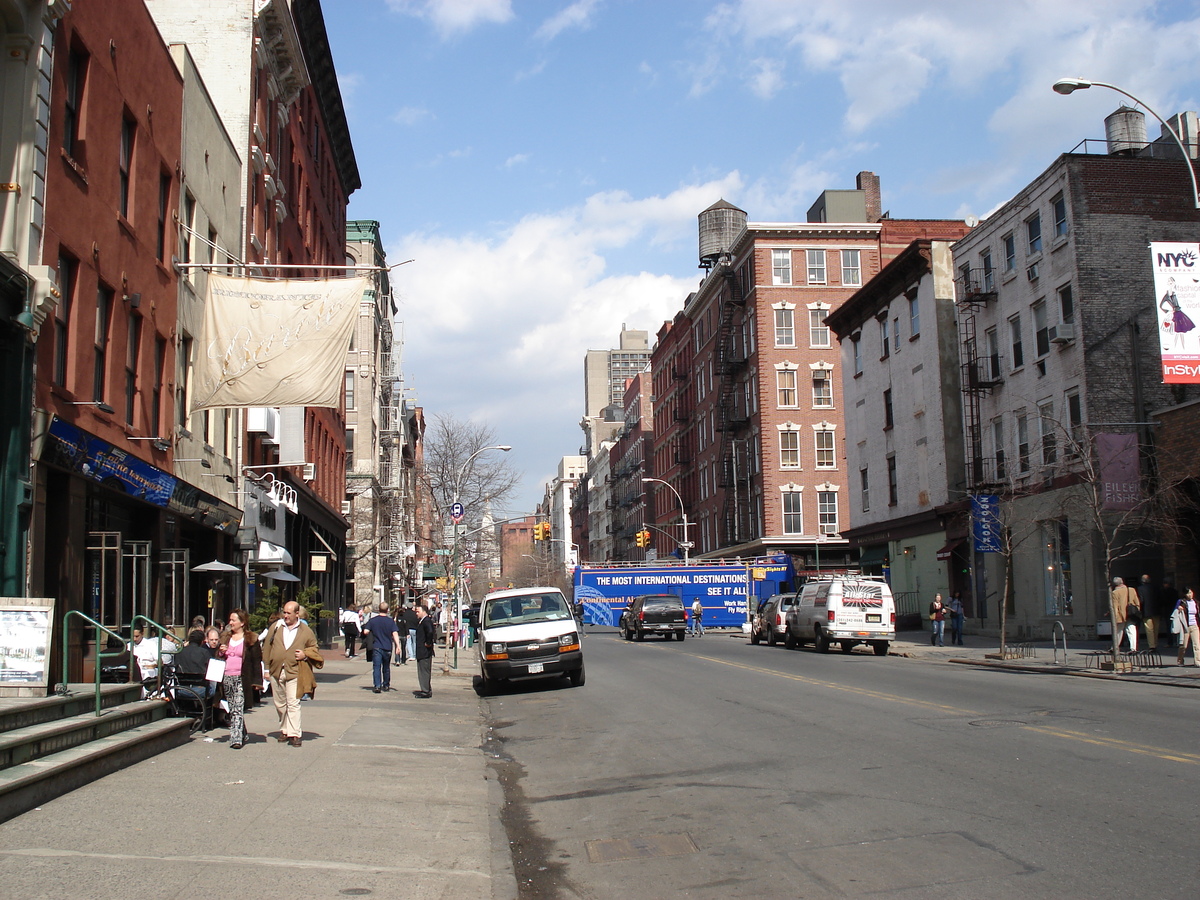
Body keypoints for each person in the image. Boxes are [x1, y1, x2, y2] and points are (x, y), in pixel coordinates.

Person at [262, 601, 323, 747]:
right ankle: (284, 729)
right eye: (284, 612)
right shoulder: (276, 627)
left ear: (297, 614)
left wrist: (305, 654)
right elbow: (267, 648)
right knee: (280, 703)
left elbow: (314, 647)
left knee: (293, 702)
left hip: (295, 671)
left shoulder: (305, 630)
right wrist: (266, 669)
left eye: (289, 613)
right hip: (276, 670)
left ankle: (294, 733)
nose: (286, 615)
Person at [217, 609, 262, 750]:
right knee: (232, 708)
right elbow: (217, 656)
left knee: (238, 707)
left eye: (233, 620)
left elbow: (256, 661)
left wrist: (257, 681)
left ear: (242, 623)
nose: (230, 623)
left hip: (242, 678)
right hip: (227, 676)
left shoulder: (250, 639)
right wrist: (220, 652)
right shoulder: (225, 637)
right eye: (230, 620)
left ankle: (235, 738)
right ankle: (243, 733)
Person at [363, 601, 401, 692]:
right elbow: (395, 633)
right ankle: (386, 685)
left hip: (377, 646)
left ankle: (377, 685)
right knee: (386, 667)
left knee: (376, 667)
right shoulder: (390, 621)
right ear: (387, 610)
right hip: (387, 646)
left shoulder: (373, 621)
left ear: (378, 609)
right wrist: (398, 646)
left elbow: (366, 631)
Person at [1110, 577, 1140, 655]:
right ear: (1122, 582)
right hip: (1131, 613)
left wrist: (1115, 617)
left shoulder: (1115, 593)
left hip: (1121, 615)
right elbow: (1137, 601)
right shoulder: (1131, 590)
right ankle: (1133, 648)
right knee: (1132, 630)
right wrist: (1137, 610)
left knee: (1118, 632)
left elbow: (1115, 606)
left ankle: (1115, 647)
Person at [413, 601, 436, 699]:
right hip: (423, 650)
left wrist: (428, 643)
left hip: (424, 651)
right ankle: (426, 688)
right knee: (423, 670)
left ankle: (425, 691)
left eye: (418, 612)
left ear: (423, 611)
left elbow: (430, 632)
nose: (416, 613)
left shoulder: (426, 621)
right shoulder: (423, 621)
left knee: (424, 671)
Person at [1175, 588, 1200, 667]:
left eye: (1191, 592)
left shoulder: (1196, 602)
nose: (1190, 595)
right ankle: (1180, 660)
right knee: (1183, 646)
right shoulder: (1181, 602)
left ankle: (1197, 661)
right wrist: (1179, 608)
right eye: (1188, 593)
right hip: (1185, 626)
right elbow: (1175, 611)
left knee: (1197, 644)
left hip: (1194, 625)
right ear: (1184, 594)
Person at [1138, 574, 1158, 651]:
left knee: (1149, 629)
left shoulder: (1140, 589)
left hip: (1146, 611)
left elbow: (1141, 600)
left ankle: (1152, 645)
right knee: (1156, 628)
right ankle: (1155, 643)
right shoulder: (1156, 587)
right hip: (1156, 610)